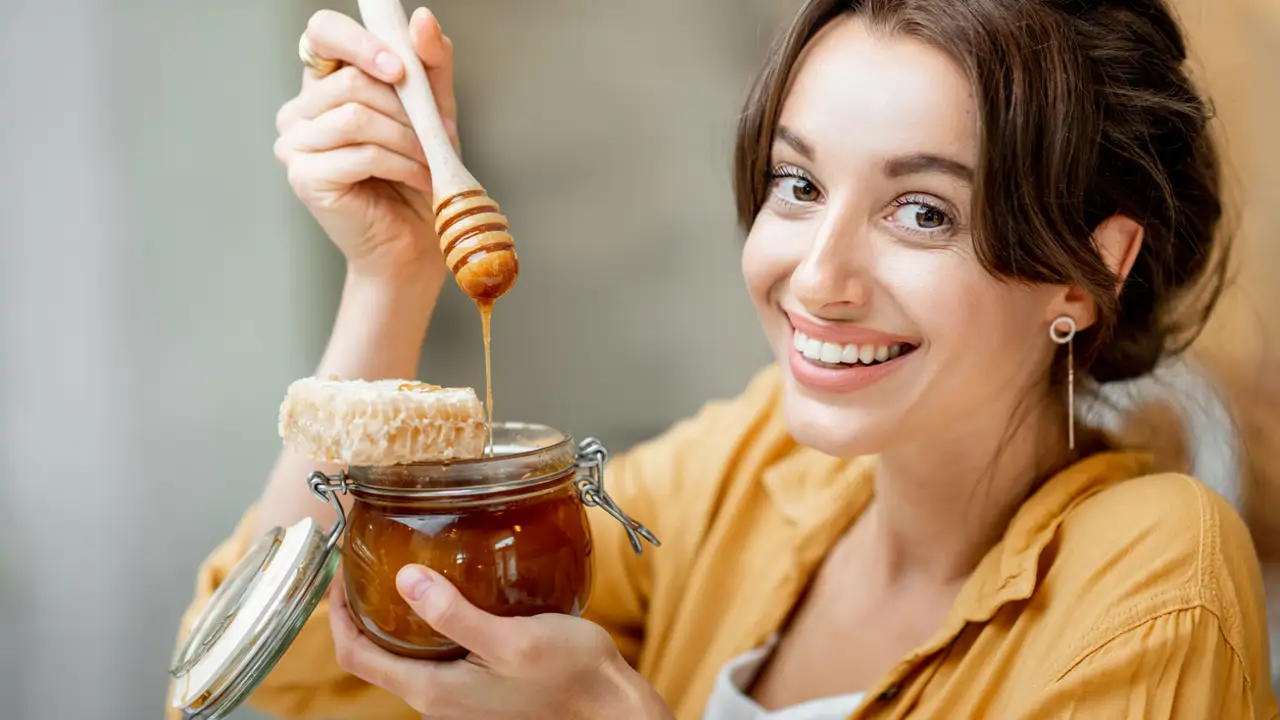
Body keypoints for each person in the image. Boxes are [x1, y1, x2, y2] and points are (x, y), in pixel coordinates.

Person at [169, 1, 1278, 718]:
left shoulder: (1155, 578)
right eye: (797, 186)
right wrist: (393, 275)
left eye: (922, 212)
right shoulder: (745, 474)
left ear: (1087, 269)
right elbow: (275, 664)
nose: (816, 277)